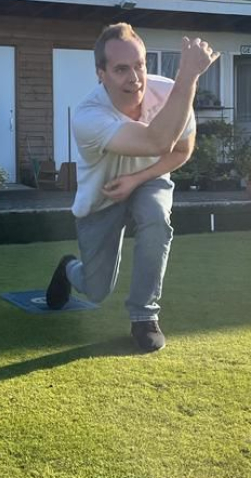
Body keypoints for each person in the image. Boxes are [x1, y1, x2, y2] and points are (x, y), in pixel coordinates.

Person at [45, 23, 219, 352]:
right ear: (101, 73)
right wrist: (189, 75)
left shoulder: (172, 91)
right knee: (96, 291)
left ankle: (144, 317)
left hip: (148, 178)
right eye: (121, 69)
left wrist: (137, 179)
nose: (135, 78)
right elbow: (158, 140)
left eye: (139, 65)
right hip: (102, 196)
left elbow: (181, 151)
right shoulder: (88, 116)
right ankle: (68, 269)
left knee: (156, 217)